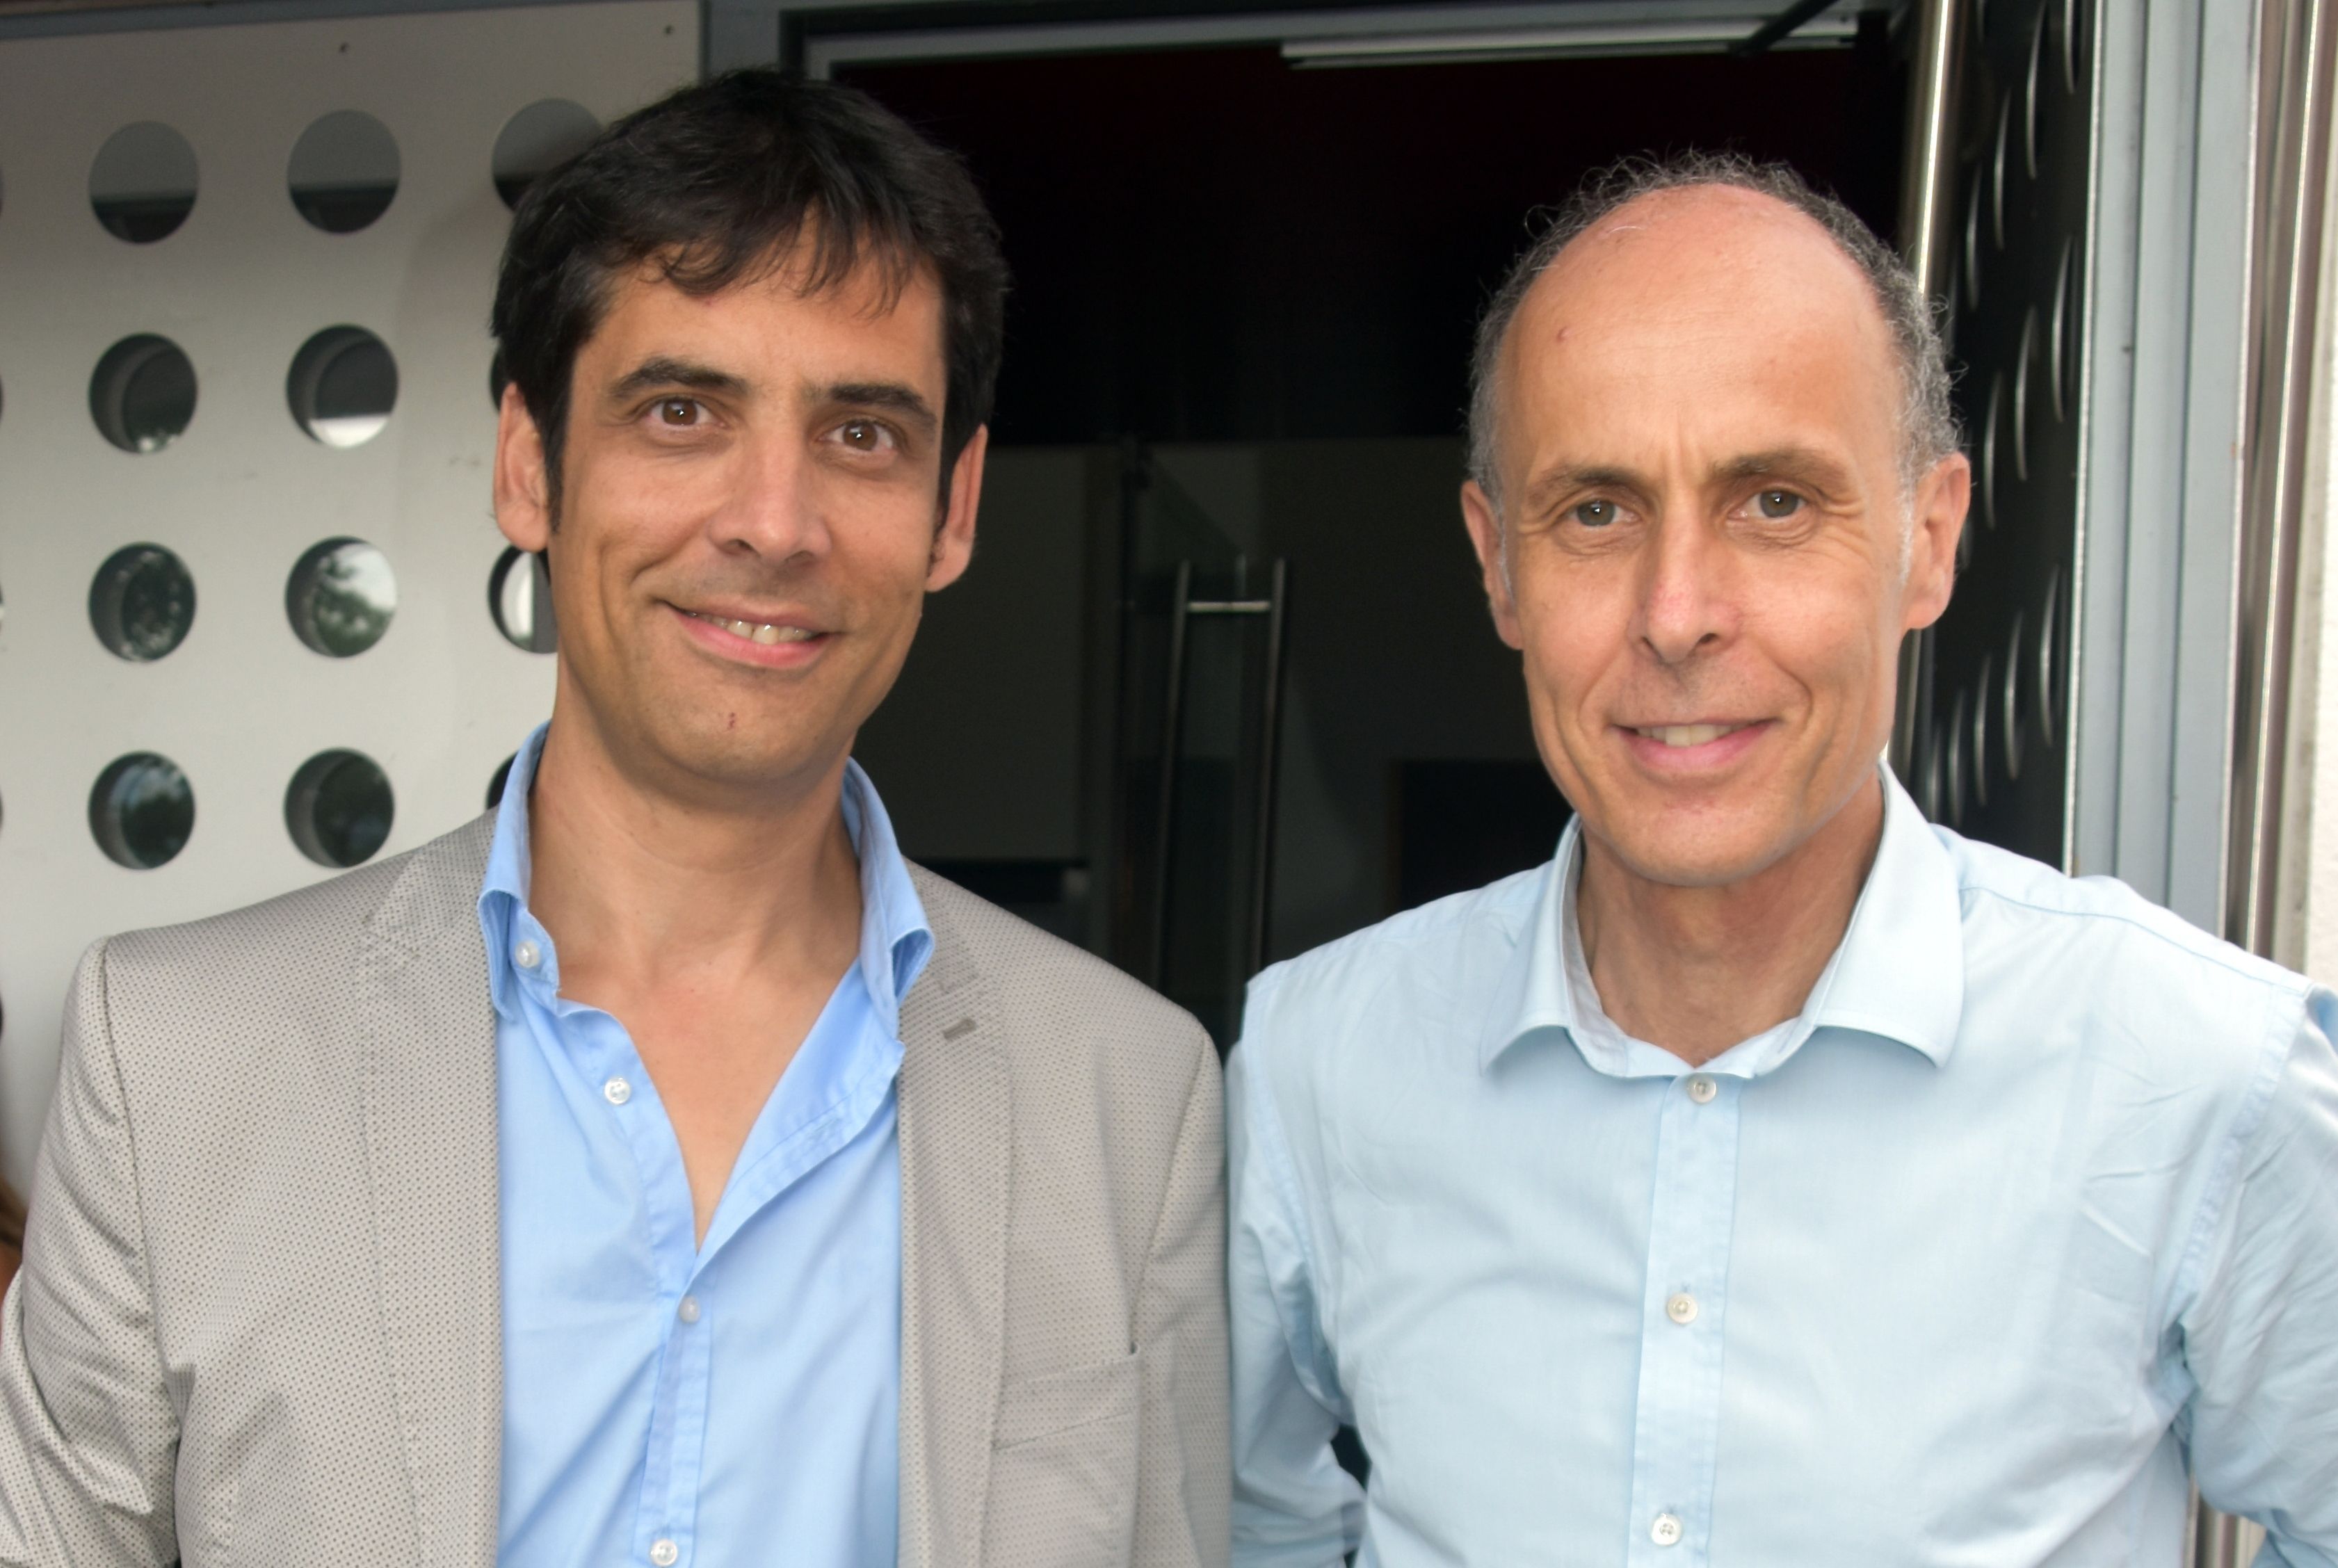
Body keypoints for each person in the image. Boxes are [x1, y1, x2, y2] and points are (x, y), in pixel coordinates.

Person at [0, 72, 1227, 1567]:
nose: (773, 523)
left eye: (860, 434)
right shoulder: (179, 1062)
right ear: (530, 465)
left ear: (952, 507)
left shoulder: (1130, 1099)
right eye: (681, 412)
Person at [1227, 153, 2338, 1565]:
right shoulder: (1318, 1060)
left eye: (1774, 503)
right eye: (1595, 511)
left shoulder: (2201, 1073)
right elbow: (1243, 1519)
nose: (1677, 613)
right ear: (1497, 563)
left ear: (1927, 542)